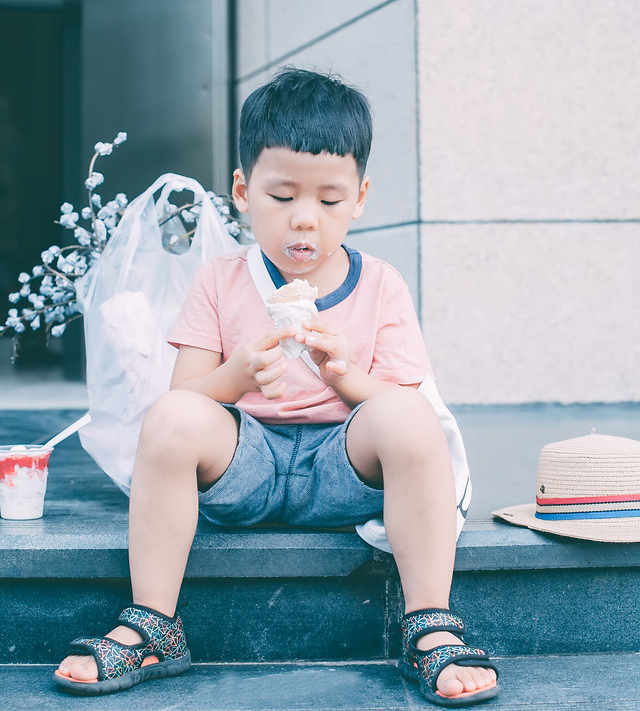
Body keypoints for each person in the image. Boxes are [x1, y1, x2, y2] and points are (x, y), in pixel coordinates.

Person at [54, 68, 499, 706]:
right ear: (242, 189)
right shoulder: (219, 279)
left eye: (329, 201)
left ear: (362, 197)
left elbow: (405, 406)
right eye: (282, 196)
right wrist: (234, 376)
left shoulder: (381, 284)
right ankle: (153, 623)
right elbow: (185, 397)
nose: (304, 222)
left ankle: (429, 624)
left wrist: (346, 377)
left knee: (406, 415)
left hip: (343, 467)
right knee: (174, 417)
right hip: (248, 465)